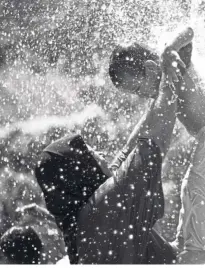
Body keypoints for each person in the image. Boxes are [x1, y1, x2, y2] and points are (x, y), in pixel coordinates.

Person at [34, 44, 184, 264]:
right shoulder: (106, 203)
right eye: (91, 152)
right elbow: (154, 143)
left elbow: (126, 153)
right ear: (80, 170)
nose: (100, 152)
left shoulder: (82, 224)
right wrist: (169, 81)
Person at [108, 26, 205, 264]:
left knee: (195, 190)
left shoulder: (173, 67)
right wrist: (119, 160)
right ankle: (185, 245)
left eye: (138, 88)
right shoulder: (163, 89)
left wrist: (170, 50)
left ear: (150, 69)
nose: (140, 95)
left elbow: (189, 30)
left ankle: (194, 255)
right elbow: (144, 124)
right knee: (189, 191)